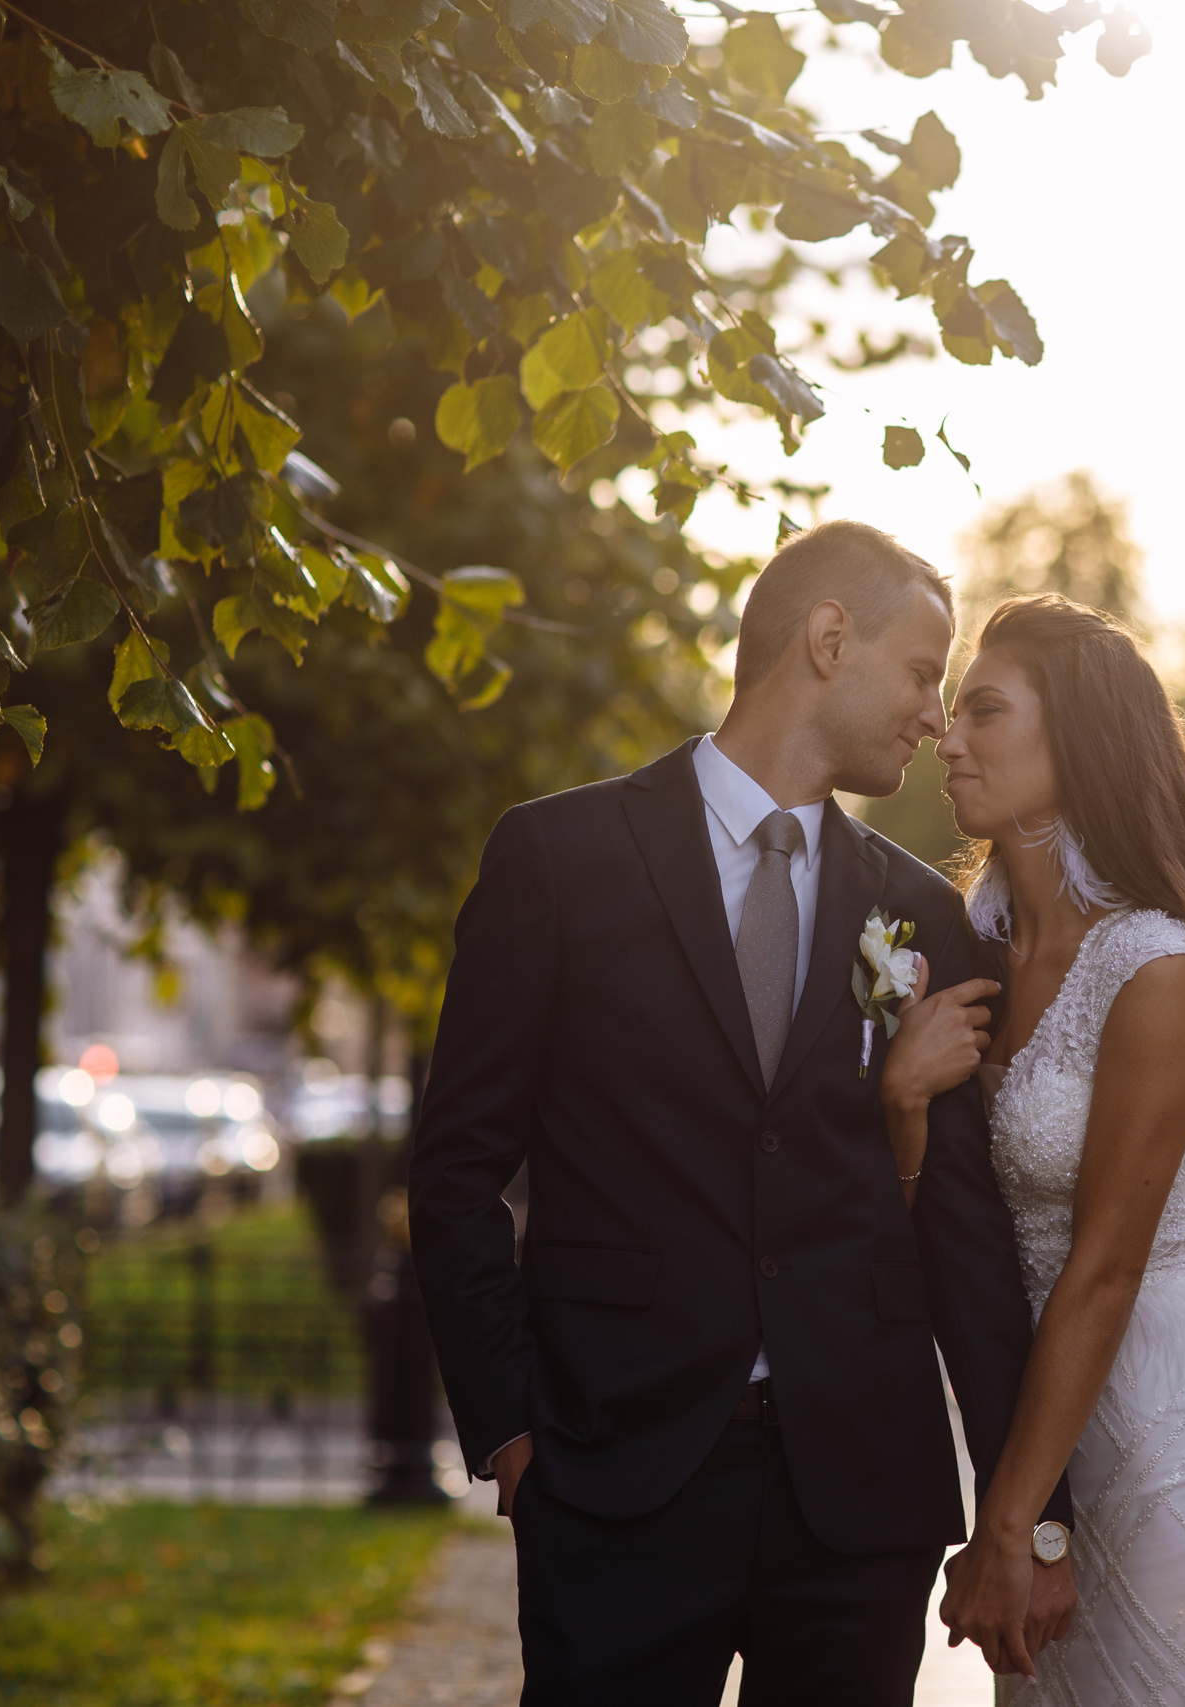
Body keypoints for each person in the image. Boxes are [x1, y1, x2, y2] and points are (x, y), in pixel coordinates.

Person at [408, 521, 1073, 1705]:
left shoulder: (924, 915)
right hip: (615, 1471)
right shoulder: (559, 858)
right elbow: (457, 1165)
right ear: (828, 640)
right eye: (923, 672)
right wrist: (509, 1426)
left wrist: (1033, 1516)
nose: (934, 715)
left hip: (858, 1493)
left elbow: (961, 1236)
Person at [878, 592, 1185, 1705]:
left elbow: (1107, 1266)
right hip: (1032, 1440)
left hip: (1169, 1462)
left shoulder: (1156, 964)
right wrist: (902, 1104)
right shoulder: (960, 943)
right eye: (949, 711)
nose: (948, 733)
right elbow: (934, 1217)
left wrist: (1013, 1529)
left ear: (1073, 736)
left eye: (984, 709)